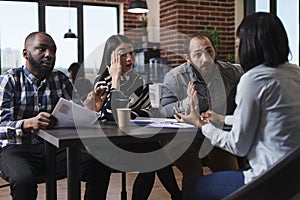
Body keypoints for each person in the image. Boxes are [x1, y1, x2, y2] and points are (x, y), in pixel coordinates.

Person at [175, 12, 300, 200]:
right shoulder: (295, 73)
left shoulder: (253, 79)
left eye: (237, 45)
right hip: (295, 179)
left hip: (268, 180)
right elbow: (270, 117)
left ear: (248, 45)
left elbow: (238, 145)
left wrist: (201, 125)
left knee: (192, 190)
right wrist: (222, 118)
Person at [0, 32, 111, 200]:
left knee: (99, 166)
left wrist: (91, 108)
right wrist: (27, 124)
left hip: (54, 147)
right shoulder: (9, 80)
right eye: (41, 49)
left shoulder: (60, 78)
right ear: (25, 54)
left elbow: (77, 115)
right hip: (17, 148)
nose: (49, 55)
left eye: (53, 50)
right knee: (23, 180)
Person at [84, 34, 182, 200]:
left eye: (131, 53)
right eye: (123, 54)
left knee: (155, 152)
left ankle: (176, 196)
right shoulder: (103, 82)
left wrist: (128, 114)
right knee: (153, 151)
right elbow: (112, 117)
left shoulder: (138, 81)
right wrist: (115, 80)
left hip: (131, 138)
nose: (129, 58)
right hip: (107, 143)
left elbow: (149, 112)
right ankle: (178, 196)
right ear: (111, 57)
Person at [160, 32, 243, 185]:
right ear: (188, 58)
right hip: (182, 138)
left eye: (209, 51)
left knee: (232, 175)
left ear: (214, 51)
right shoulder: (175, 77)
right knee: (194, 175)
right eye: (198, 54)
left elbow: (251, 76)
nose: (205, 59)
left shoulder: (230, 72)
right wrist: (187, 103)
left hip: (214, 134)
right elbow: (163, 110)